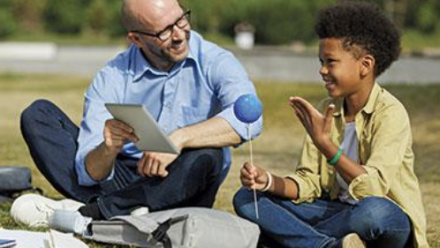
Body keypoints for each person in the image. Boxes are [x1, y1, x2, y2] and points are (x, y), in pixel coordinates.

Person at [16, 0, 262, 223]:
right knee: (37, 114)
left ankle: (92, 213)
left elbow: (249, 121)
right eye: (164, 31)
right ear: (135, 39)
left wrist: (178, 140)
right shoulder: (112, 76)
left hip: (179, 181)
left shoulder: (217, 61)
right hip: (120, 177)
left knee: (210, 154)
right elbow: (89, 173)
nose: (179, 35)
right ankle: (127, 210)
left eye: (181, 20)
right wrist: (108, 148)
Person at [233, 2, 428, 248]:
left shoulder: (390, 113)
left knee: (372, 212)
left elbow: (374, 187)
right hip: (337, 213)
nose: (322, 70)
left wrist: (327, 146)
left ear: (365, 65)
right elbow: (309, 182)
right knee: (247, 199)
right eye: (321, 61)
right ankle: (332, 245)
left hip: (384, 218)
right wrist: (268, 181)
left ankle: (296, 241)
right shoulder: (328, 109)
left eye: (330, 61)